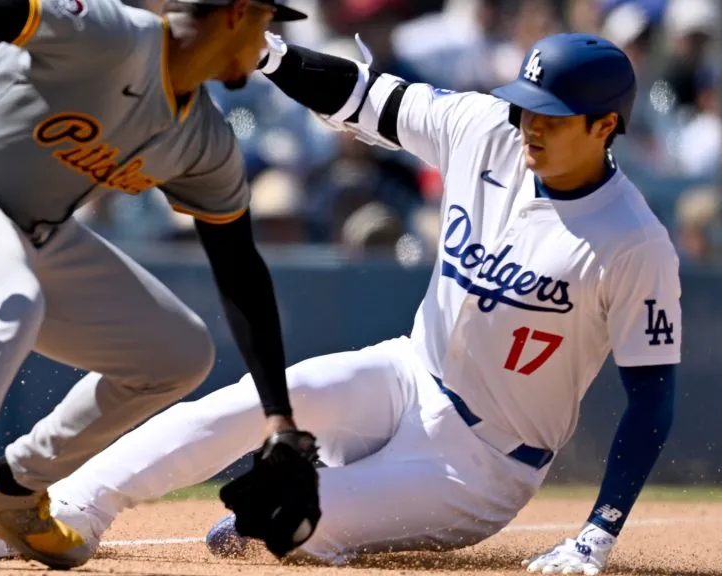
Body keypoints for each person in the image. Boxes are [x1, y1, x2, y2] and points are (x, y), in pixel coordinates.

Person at [46, 32, 682, 575]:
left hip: (484, 463)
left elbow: (652, 397)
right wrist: (267, 54)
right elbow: (362, 94)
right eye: (526, 105)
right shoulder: (486, 128)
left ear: (606, 126)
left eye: (555, 114)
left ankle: (308, 514)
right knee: (244, 403)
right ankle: (73, 504)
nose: (531, 124)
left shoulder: (634, 243)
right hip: (407, 374)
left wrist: (599, 533)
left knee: (277, 526)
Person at [0, 0, 322, 574]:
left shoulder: (203, 139)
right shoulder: (114, 35)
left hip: (33, 230)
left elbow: (239, 267)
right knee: (4, 305)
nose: (269, 39)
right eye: (268, 23)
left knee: (177, 355)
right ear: (240, 13)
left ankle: (12, 488)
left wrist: (279, 419)